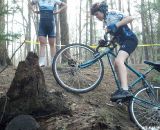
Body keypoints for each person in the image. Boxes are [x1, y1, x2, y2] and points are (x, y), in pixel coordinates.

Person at [90, 2, 138, 101]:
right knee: (116, 64)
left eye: (96, 14)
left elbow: (130, 18)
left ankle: (125, 90)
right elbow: (116, 35)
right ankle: (123, 88)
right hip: (124, 41)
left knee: (119, 61)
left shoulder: (112, 13)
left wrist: (117, 24)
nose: (96, 17)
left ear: (102, 11)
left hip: (130, 39)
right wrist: (106, 42)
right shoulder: (106, 22)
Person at [30, 0, 67, 67]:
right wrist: (34, 11)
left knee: (52, 44)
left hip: (51, 26)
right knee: (42, 44)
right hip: (42, 25)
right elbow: (29, 4)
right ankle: (41, 63)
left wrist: (58, 11)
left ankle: (53, 63)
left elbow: (65, 5)